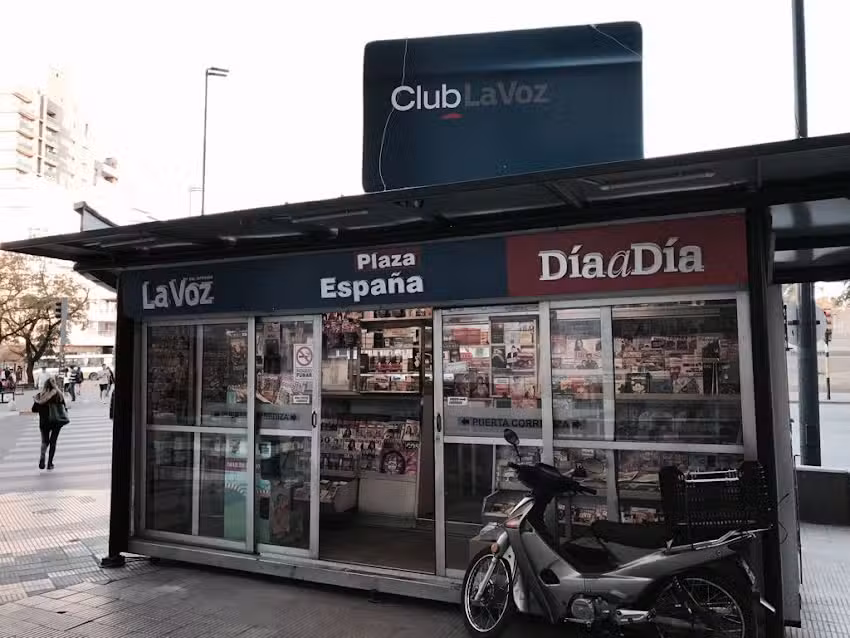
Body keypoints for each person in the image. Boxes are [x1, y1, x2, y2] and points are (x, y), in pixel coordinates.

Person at [31, 377, 68, 470]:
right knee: (53, 442)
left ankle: (42, 457)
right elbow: (64, 407)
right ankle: (50, 464)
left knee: (44, 441)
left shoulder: (40, 395)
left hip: (44, 422)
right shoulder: (59, 395)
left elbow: (34, 409)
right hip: (56, 421)